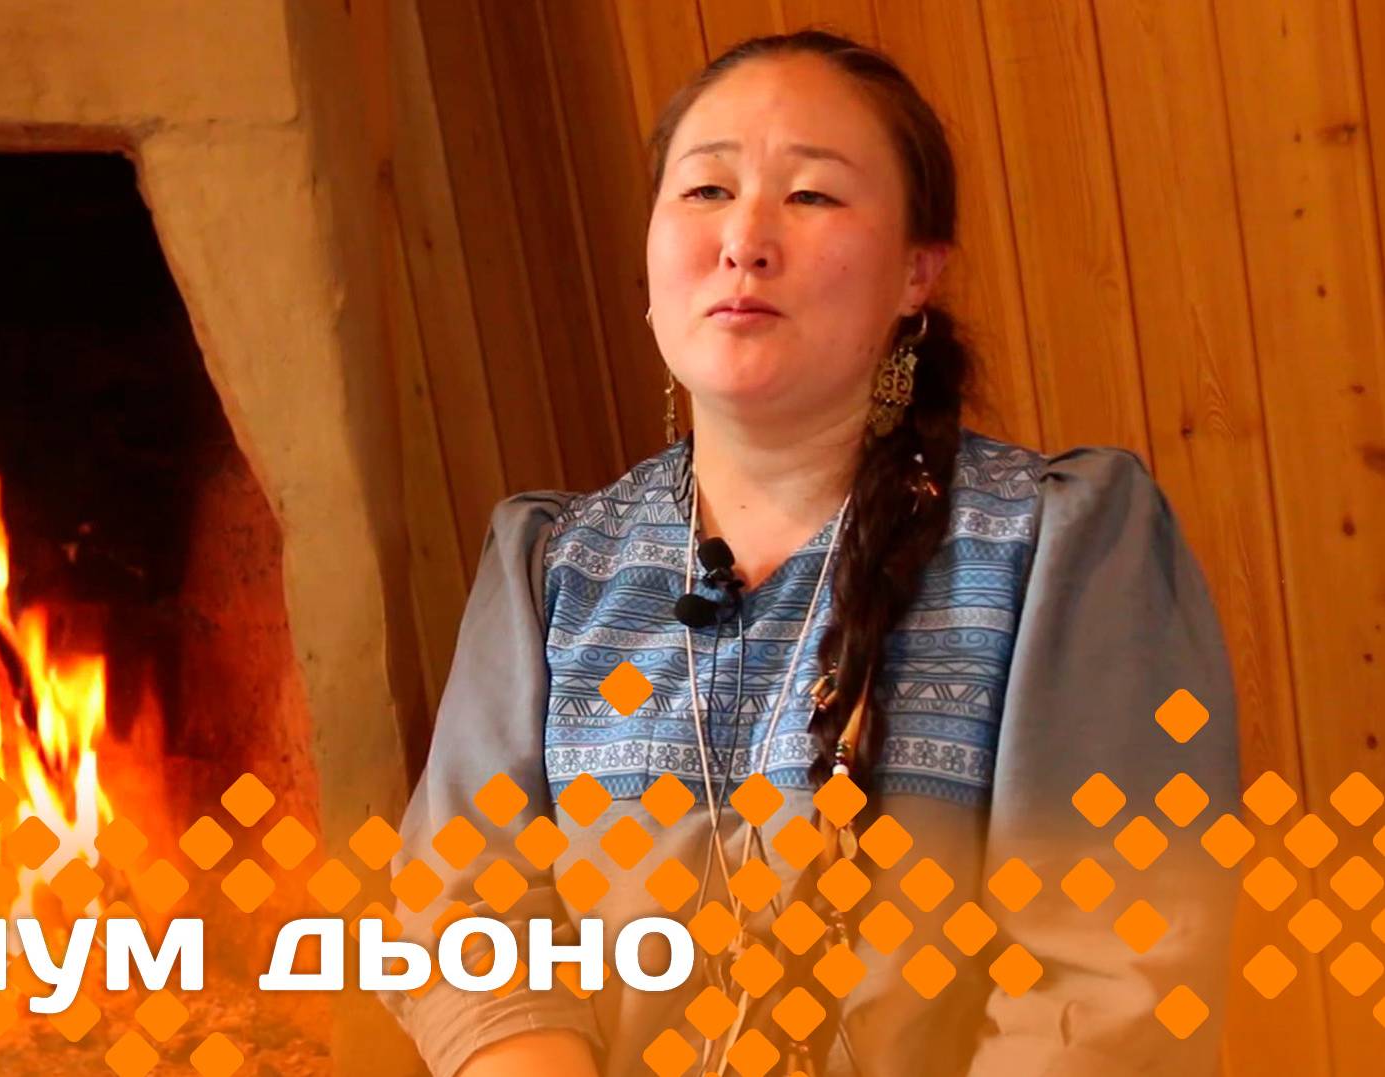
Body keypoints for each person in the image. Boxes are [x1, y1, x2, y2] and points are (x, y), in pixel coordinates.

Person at [377, 29, 1240, 1077]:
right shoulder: (554, 566)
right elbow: (462, 915)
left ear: (916, 272)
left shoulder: (1062, 547)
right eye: (704, 190)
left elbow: (1112, 979)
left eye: (812, 196)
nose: (743, 239)